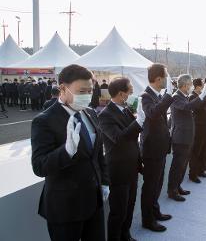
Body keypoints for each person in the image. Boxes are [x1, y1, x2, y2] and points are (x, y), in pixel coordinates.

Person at [31, 64, 109, 241]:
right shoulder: (44, 121)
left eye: (90, 90)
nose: (87, 95)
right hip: (65, 208)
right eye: (82, 91)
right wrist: (66, 151)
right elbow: (39, 166)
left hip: (94, 201)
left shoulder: (90, 113)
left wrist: (104, 182)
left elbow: (98, 154)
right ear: (63, 89)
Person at [98, 77, 145, 241]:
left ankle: (126, 235)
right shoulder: (105, 115)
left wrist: (139, 120)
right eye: (130, 90)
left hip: (132, 168)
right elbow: (118, 138)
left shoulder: (124, 109)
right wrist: (139, 121)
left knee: (130, 206)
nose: (132, 92)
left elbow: (133, 136)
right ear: (120, 93)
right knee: (118, 211)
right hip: (118, 171)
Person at [140, 63, 174, 232]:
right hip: (151, 150)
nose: (167, 80)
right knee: (150, 186)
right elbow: (153, 114)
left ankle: (155, 211)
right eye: (166, 76)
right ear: (158, 78)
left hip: (160, 147)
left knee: (158, 183)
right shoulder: (146, 96)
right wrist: (168, 96)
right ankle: (148, 220)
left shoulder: (158, 95)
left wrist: (166, 97)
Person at [168, 74, 206, 200]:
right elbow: (187, 107)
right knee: (177, 166)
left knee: (183, 164)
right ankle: (172, 191)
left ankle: (177, 186)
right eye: (191, 84)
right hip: (180, 138)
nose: (192, 86)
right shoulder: (176, 97)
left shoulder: (183, 96)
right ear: (185, 85)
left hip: (186, 137)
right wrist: (201, 97)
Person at [188, 78, 206, 184]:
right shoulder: (192, 97)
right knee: (196, 152)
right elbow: (199, 106)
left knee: (203, 149)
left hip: (204, 127)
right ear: (198, 86)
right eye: (202, 85)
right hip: (198, 128)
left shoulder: (199, 96)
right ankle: (193, 174)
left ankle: (201, 170)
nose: (203, 87)